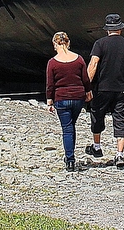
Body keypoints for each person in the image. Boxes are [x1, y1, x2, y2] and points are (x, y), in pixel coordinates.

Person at [87, 13, 124, 165]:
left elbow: (93, 65)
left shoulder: (100, 44)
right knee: (122, 120)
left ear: (107, 30)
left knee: (97, 114)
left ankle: (97, 147)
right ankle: (119, 154)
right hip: (122, 89)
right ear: (120, 29)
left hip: (102, 88)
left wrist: (86, 86)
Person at [45, 32, 91, 172]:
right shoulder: (79, 59)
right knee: (71, 126)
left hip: (61, 98)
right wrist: (88, 92)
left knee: (67, 128)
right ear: (68, 43)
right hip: (78, 97)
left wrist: (49, 100)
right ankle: (70, 157)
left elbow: (50, 84)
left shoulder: (52, 62)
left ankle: (70, 160)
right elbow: (85, 78)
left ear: (54, 44)